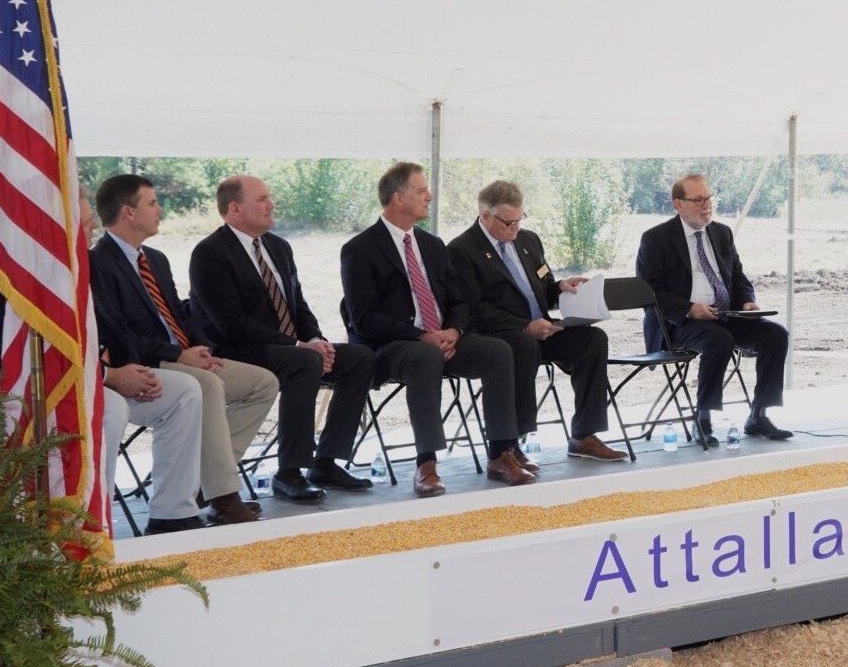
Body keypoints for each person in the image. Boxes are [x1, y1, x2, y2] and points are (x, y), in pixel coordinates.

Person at [91, 174, 277, 525]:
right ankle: (224, 494)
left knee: (262, 382)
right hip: (145, 363)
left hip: (183, 356)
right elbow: (118, 333)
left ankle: (207, 479)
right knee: (205, 386)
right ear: (128, 213)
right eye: (152, 203)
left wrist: (198, 348)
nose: (161, 210)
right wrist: (177, 355)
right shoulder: (99, 263)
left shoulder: (155, 259)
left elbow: (179, 312)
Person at [340, 162, 527, 493]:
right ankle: (426, 463)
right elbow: (364, 318)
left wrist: (453, 331)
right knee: (424, 356)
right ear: (397, 198)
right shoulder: (359, 249)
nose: (429, 196)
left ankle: (501, 453)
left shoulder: (432, 245)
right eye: (421, 190)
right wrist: (422, 336)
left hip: (443, 338)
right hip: (393, 345)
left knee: (499, 350)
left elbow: (459, 301)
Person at [190, 175, 377, 503]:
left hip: (294, 348)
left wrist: (318, 339)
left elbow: (298, 305)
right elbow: (230, 324)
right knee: (303, 361)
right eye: (261, 199)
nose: (271, 204)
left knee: (360, 357)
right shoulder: (210, 254)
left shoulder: (279, 247)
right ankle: (289, 472)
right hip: (240, 351)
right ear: (234, 209)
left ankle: (326, 462)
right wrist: (300, 347)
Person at [447, 180, 627, 464]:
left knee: (593, 340)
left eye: (520, 220)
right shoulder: (462, 249)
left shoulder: (528, 241)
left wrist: (561, 288)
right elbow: (473, 309)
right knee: (523, 345)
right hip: (502, 334)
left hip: (542, 328)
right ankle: (512, 443)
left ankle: (584, 434)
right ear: (485, 216)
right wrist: (524, 326)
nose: (515, 229)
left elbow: (543, 286)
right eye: (508, 223)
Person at [636, 173, 791, 445]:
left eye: (708, 198)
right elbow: (649, 293)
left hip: (725, 314)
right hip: (678, 323)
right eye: (697, 200)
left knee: (776, 334)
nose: (706, 205)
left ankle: (758, 415)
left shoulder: (721, 233)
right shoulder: (656, 239)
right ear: (678, 205)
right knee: (718, 339)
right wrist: (688, 309)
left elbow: (739, 277)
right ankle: (702, 417)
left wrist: (747, 301)